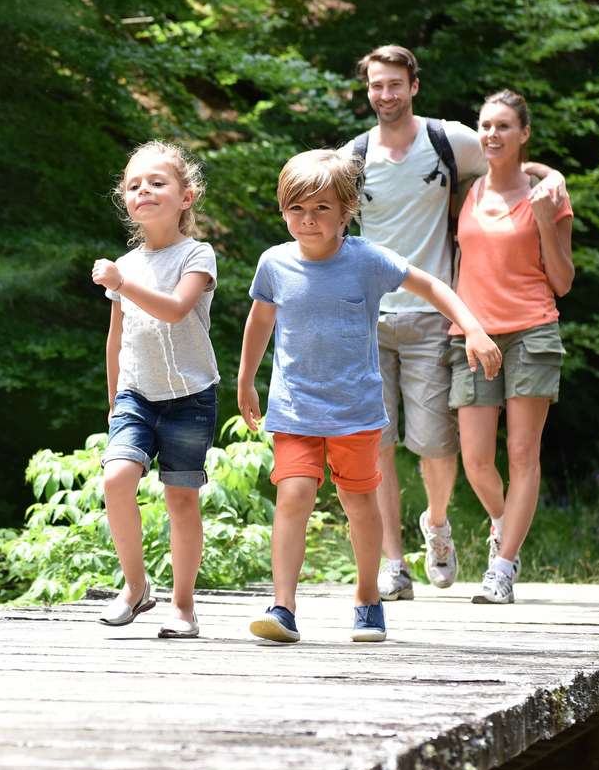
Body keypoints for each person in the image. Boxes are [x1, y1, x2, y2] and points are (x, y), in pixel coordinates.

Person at [239, 150, 500, 644]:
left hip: (355, 410)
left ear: (347, 210)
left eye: (321, 208)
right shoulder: (274, 263)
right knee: (293, 496)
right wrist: (246, 377)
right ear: (282, 210)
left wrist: (473, 328)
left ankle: (367, 598)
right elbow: (260, 320)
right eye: (297, 209)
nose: (308, 220)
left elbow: (430, 285)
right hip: (295, 407)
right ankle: (283, 608)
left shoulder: (365, 260)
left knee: (359, 503)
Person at [345, 45, 565, 600]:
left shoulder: (448, 141)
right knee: (381, 445)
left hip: (438, 317)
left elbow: (506, 158)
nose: (386, 94)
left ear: (414, 85)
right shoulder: (351, 156)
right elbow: (310, 206)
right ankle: (396, 564)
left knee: (438, 449)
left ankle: (450, 531)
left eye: (395, 84)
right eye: (377, 85)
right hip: (373, 318)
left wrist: (551, 174)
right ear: (367, 89)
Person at [90, 141, 218, 639]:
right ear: (126, 200)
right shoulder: (127, 263)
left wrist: (121, 283)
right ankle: (136, 587)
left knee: (181, 499)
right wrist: (113, 399)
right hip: (136, 396)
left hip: (190, 397)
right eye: (134, 185)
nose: (144, 190)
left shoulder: (197, 255)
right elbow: (116, 337)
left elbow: (174, 309)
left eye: (157, 182)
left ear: (185, 197)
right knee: (116, 479)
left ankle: (183, 607)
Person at [450, 90, 574, 604]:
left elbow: (563, 281)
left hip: (532, 330)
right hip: (473, 333)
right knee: (476, 459)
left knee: (523, 453)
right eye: (486, 126)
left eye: (504, 126)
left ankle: (501, 569)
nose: (492, 135)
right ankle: (506, 525)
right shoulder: (465, 192)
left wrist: (545, 216)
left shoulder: (548, 196)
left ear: (523, 133)